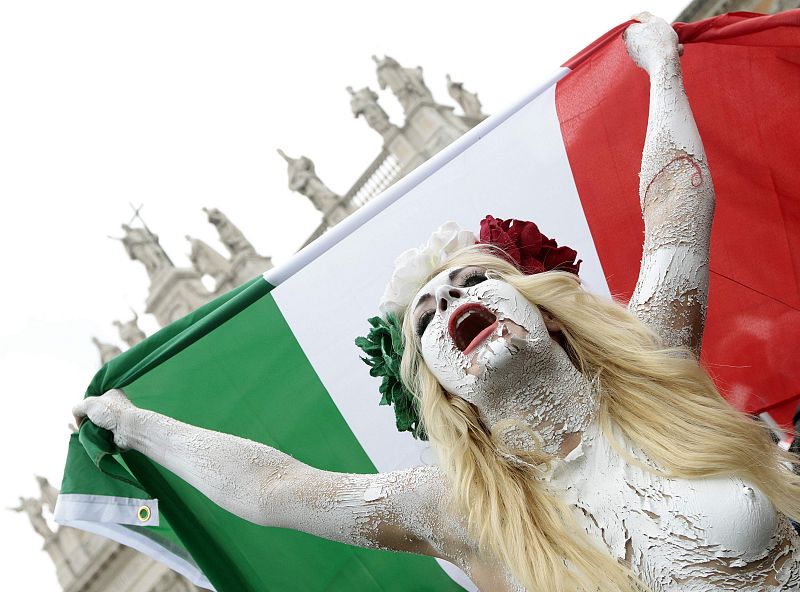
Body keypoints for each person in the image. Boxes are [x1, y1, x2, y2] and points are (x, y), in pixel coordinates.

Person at [73, 14, 800, 591]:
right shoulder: (460, 511)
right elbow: (277, 488)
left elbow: (675, 205)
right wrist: (135, 426)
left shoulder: (654, 363)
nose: (449, 300)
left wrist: (664, 70)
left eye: (470, 283)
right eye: (425, 319)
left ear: (545, 312)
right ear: (443, 389)